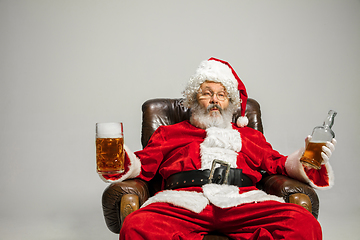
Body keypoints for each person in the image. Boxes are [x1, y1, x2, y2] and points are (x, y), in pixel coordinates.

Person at [116, 57, 336, 239]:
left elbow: (278, 163)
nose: (214, 100)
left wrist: (306, 159)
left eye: (221, 95)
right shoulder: (169, 133)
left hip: (242, 201)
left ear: (229, 102)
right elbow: (142, 164)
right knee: (136, 225)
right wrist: (120, 159)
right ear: (193, 100)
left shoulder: (248, 135)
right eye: (206, 93)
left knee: (302, 224)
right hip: (184, 203)